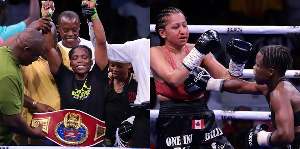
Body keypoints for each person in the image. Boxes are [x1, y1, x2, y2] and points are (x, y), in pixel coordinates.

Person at [150, 7, 253, 148]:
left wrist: (237, 63)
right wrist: (198, 52)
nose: (183, 31)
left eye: (184, 25)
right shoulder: (155, 52)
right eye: (175, 27)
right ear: (162, 33)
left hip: (202, 114)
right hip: (173, 119)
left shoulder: (197, 50)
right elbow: (173, 79)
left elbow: (226, 79)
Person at [198, 45, 300, 148]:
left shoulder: (280, 94)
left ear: (270, 71)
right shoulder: (271, 87)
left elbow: (286, 135)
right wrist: (208, 83)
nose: (254, 67)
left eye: (258, 65)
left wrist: (262, 138)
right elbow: (241, 87)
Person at [85, 3, 150, 147]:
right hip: (140, 119)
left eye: (119, 65)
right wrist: (92, 19)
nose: (114, 68)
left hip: (160, 115)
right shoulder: (140, 46)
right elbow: (102, 48)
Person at [43, 0, 108, 133]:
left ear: (91, 61)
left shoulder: (98, 75)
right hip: (67, 134)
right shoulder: (64, 76)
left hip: (94, 135)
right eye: (75, 58)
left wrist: (94, 14)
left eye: (84, 57)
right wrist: (46, 17)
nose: (80, 61)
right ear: (70, 63)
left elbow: (101, 43)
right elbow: (49, 48)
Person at [0, 27, 56, 145]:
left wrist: (34, 104)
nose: (36, 60)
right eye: (36, 55)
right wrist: (34, 133)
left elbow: (11, 94)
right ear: (26, 50)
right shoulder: (8, 74)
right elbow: (13, 121)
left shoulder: (4, 53)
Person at [103, 61, 138, 147]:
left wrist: (133, 138)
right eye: (112, 65)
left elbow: (142, 115)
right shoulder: (103, 81)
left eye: (120, 66)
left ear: (129, 65)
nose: (115, 69)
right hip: (103, 136)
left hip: (126, 137)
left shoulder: (138, 83)